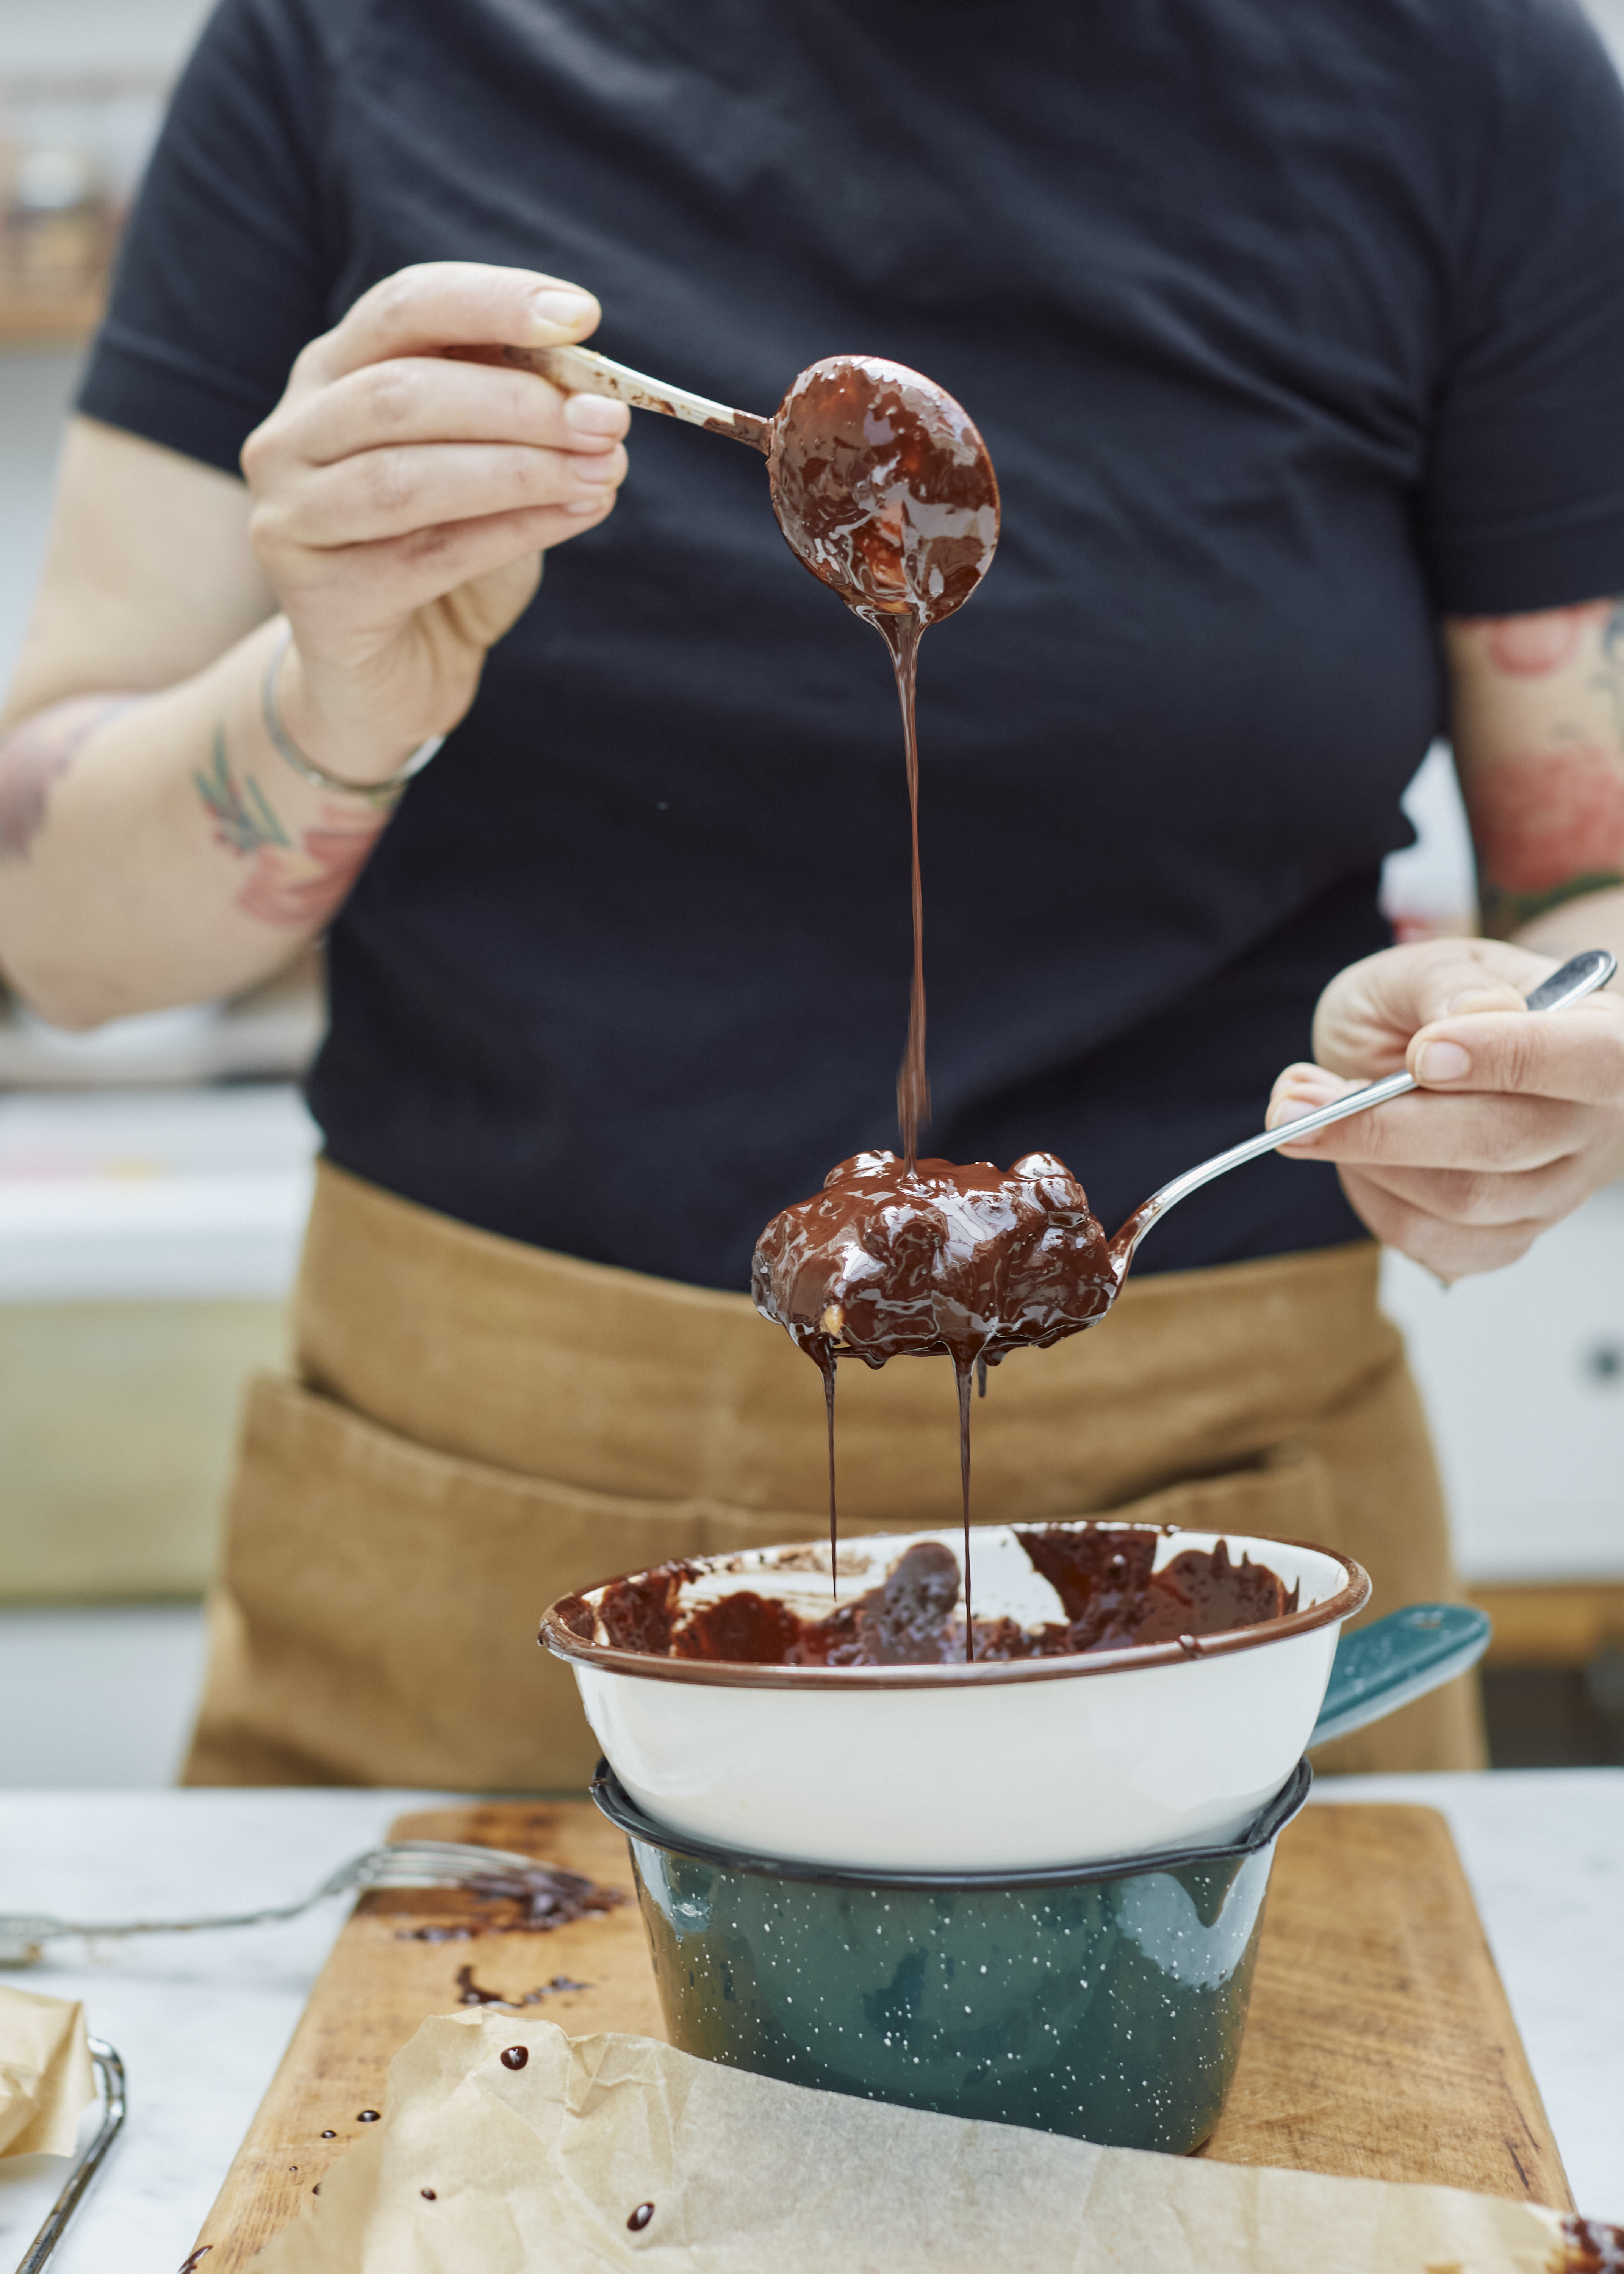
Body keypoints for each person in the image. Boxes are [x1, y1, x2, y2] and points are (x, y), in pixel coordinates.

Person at [3, 0, 1623, 1789]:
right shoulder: (348, 45)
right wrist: (326, 708)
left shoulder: (1468, 75)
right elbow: (59, 933)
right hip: (465, 1562)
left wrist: (1525, 1052)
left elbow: (1594, 892)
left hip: (1204, 1580)